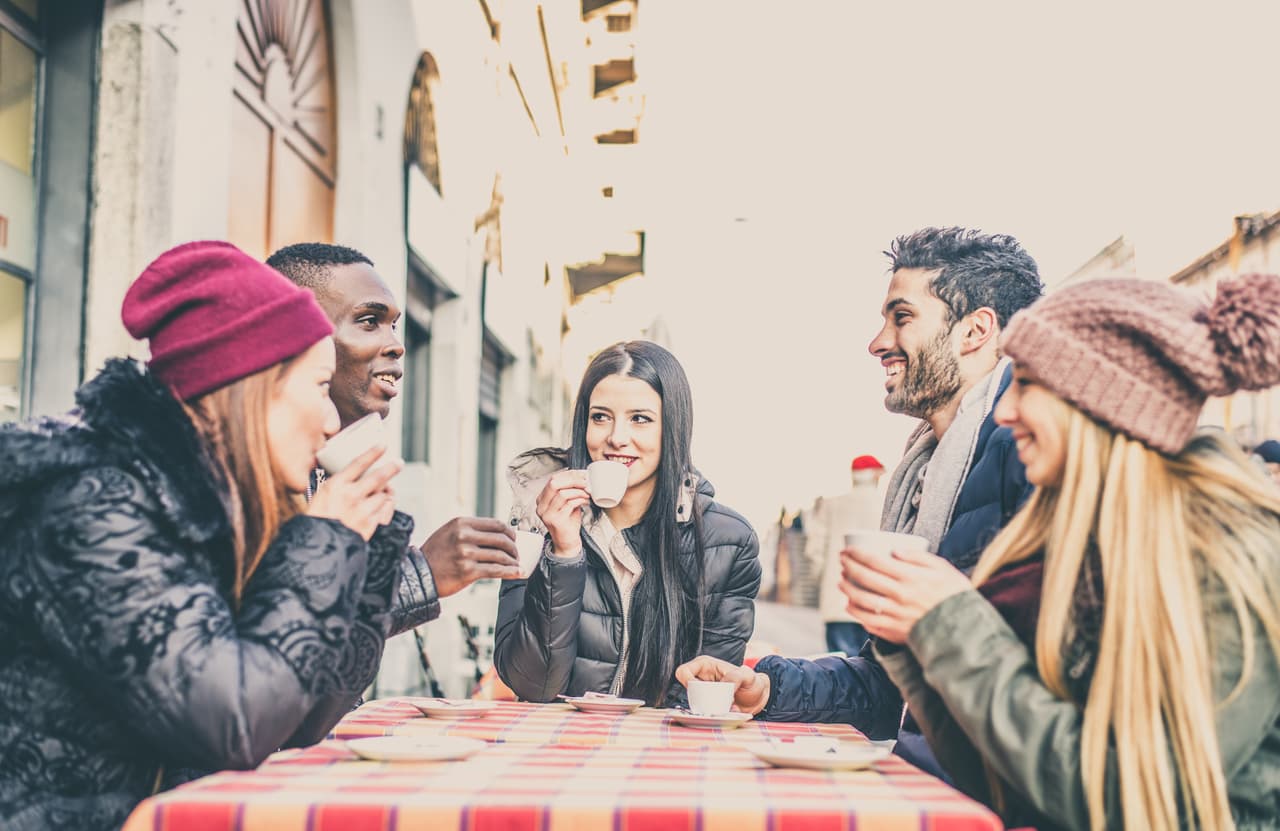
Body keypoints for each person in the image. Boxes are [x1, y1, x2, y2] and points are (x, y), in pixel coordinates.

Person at [0, 241, 412, 830]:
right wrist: (325, 535)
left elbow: (301, 717)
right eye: (319, 387)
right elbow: (234, 723)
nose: (329, 421)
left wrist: (364, 547)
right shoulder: (93, 500)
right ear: (251, 390)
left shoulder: (204, 501)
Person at [847, 273, 1280, 829]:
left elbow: (1132, 801)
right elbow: (1007, 777)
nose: (1005, 413)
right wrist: (909, 636)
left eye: (1027, 384)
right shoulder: (1065, 536)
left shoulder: (1226, 552)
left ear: (1098, 402)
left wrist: (951, 625)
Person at [676, 227, 1043, 775]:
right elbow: (890, 686)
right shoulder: (927, 471)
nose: (877, 342)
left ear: (975, 330)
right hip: (929, 774)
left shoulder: (1026, 456)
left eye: (903, 317)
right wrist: (764, 687)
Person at [266, 243, 520, 636]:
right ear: (300, 336)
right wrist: (423, 573)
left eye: (394, 325)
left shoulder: (330, 467)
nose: (397, 345)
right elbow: (278, 640)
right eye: (368, 321)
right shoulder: (249, 468)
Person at [493, 341, 761, 706]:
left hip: (662, 754)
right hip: (558, 748)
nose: (616, 438)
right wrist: (564, 553)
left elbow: (704, 697)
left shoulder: (727, 542)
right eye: (600, 417)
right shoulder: (535, 523)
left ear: (672, 427)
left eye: (640, 419)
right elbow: (533, 686)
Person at [804, 455, 885, 654]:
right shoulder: (885, 503)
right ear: (875, 475)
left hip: (838, 600)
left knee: (840, 667)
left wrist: (823, 581)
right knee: (872, 671)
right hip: (875, 601)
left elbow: (814, 551)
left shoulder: (832, 506)